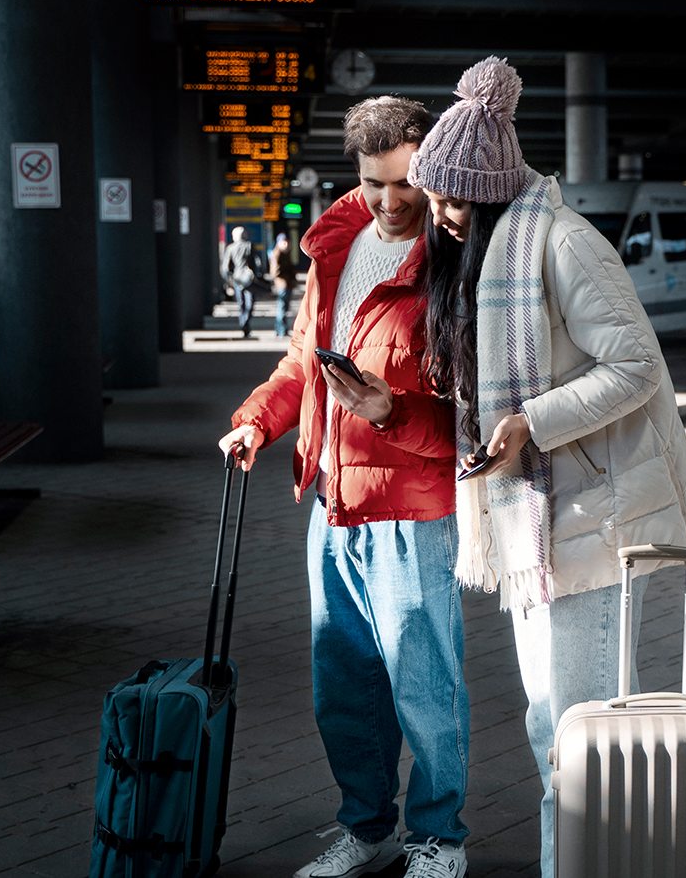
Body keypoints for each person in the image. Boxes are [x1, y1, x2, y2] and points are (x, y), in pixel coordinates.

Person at [409, 57, 686, 878]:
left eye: (453, 197)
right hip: (544, 524)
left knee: (581, 740)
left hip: (594, 524)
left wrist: (529, 422)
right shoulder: (493, 253)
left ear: (493, 190)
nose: (442, 215)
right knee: (562, 732)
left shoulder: (566, 243)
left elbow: (635, 368)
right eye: (435, 197)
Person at [218, 96, 470, 878]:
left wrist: (393, 409)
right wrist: (257, 423)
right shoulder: (335, 249)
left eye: (405, 184)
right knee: (344, 689)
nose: (391, 202)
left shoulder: (455, 263)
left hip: (415, 513)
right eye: (374, 184)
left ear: (428, 173)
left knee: (424, 688)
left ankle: (439, 839)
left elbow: (472, 414)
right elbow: (302, 363)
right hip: (332, 507)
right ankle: (368, 830)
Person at [222, 226, 262, 338]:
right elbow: (257, 262)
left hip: (237, 278)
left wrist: (229, 278)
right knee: (250, 302)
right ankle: (246, 322)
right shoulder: (249, 245)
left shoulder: (230, 248)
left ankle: (243, 322)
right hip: (249, 278)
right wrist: (258, 274)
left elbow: (226, 267)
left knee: (241, 302)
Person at [269, 232, 298, 337]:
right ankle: (281, 329)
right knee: (282, 307)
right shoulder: (277, 253)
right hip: (282, 284)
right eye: (283, 242)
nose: (285, 244)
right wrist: (285, 277)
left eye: (286, 242)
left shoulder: (286, 253)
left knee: (284, 307)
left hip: (287, 283)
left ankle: (279, 329)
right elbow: (275, 271)